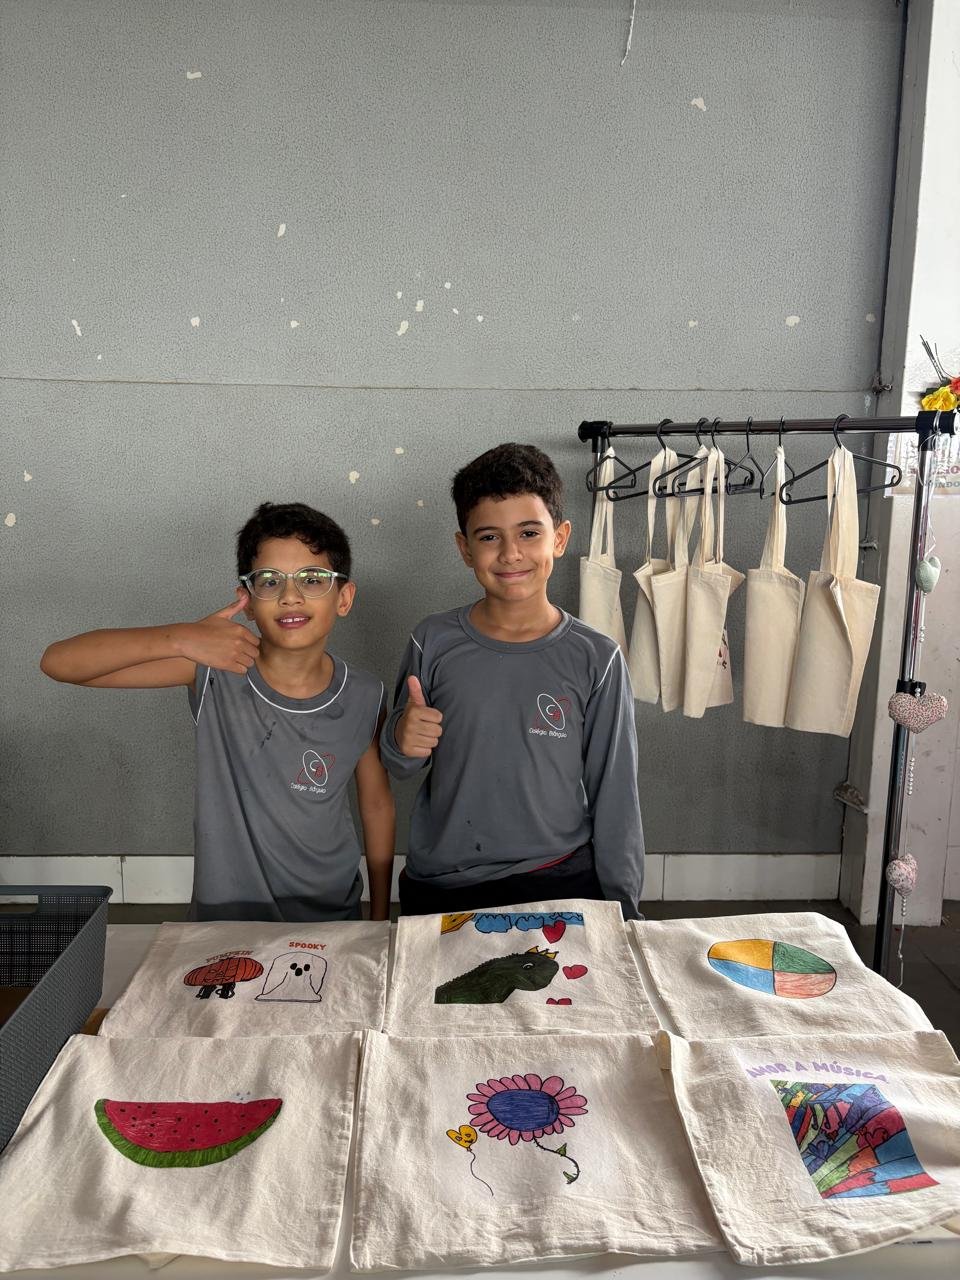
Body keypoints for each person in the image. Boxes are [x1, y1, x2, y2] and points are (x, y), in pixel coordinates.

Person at [41, 502, 395, 922]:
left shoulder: (366, 694)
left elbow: (376, 806)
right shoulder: (214, 669)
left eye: (312, 579)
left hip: (330, 917)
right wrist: (182, 638)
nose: (290, 596)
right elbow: (58, 663)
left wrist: (379, 917)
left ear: (344, 597)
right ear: (248, 601)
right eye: (270, 581)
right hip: (225, 921)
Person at [380, 442, 643, 919]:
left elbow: (616, 792)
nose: (511, 553)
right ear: (464, 548)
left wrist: (622, 907)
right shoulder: (431, 640)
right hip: (443, 882)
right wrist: (403, 738)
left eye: (529, 532)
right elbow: (399, 764)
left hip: (559, 876)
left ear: (559, 538)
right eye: (489, 537)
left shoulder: (597, 657)